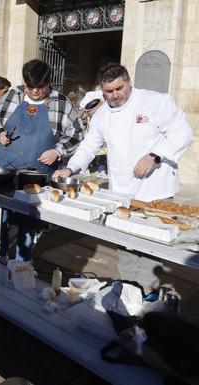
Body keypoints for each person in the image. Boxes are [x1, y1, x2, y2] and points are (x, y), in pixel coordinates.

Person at [53, 63, 192, 294]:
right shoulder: (103, 114)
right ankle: (129, 293)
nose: (115, 95)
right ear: (102, 89)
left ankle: (147, 298)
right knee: (126, 246)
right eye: (109, 91)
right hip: (122, 191)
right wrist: (70, 168)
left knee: (149, 248)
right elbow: (89, 146)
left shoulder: (155, 101)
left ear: (129, 82)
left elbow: (183, 132)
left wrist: (155, 156)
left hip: (154, 190)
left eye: (119, 88)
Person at [0, 59, 82, 261]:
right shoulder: (11, 96)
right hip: (6, 169)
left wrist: (57, 151)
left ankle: (23, 265)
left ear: (49, 82)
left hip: (37, 174)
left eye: (40, 87)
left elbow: (77, 134)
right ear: (24, 82)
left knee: (28, 222)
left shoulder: (62, 103)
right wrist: (0, 132)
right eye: (31, 87)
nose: (35, 92)